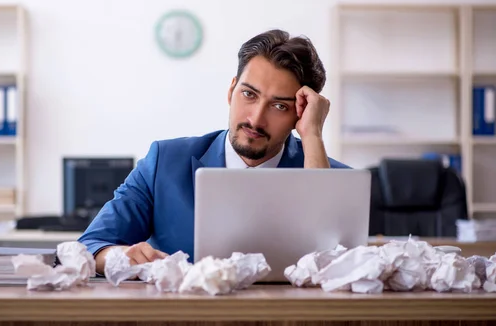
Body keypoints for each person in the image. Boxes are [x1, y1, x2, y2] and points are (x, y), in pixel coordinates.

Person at [78, 29, 349, 274]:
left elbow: (337, 269)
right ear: (231, 90)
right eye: (249, 94)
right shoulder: (165, 162)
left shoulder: (332, 177)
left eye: (280, 106)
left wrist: (312, 136)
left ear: (301, 113)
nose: (255, 119)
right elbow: (91, 245)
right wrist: (119, 256)